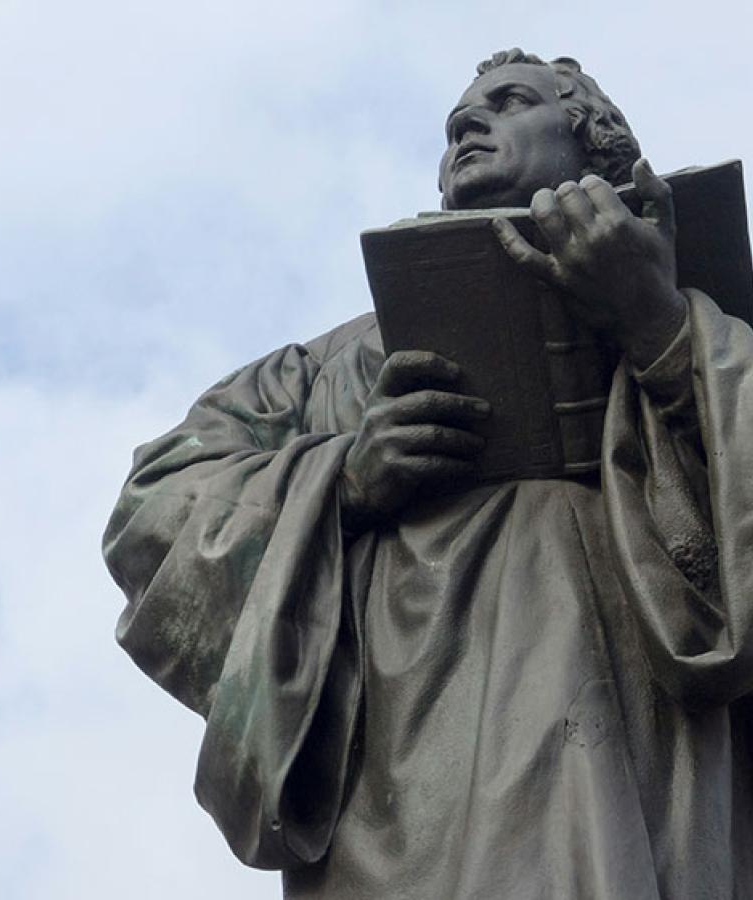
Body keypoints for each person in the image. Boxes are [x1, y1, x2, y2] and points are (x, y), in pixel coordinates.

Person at [102, 48, 753, 899]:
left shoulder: (710, 326)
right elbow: (154, 508)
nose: (467, 128)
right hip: (407, 765)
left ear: (597, 147)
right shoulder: (332, 367)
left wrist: (660, 325)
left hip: (642, 741)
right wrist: (342, 479)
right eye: (455, 125)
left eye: (509, 103)